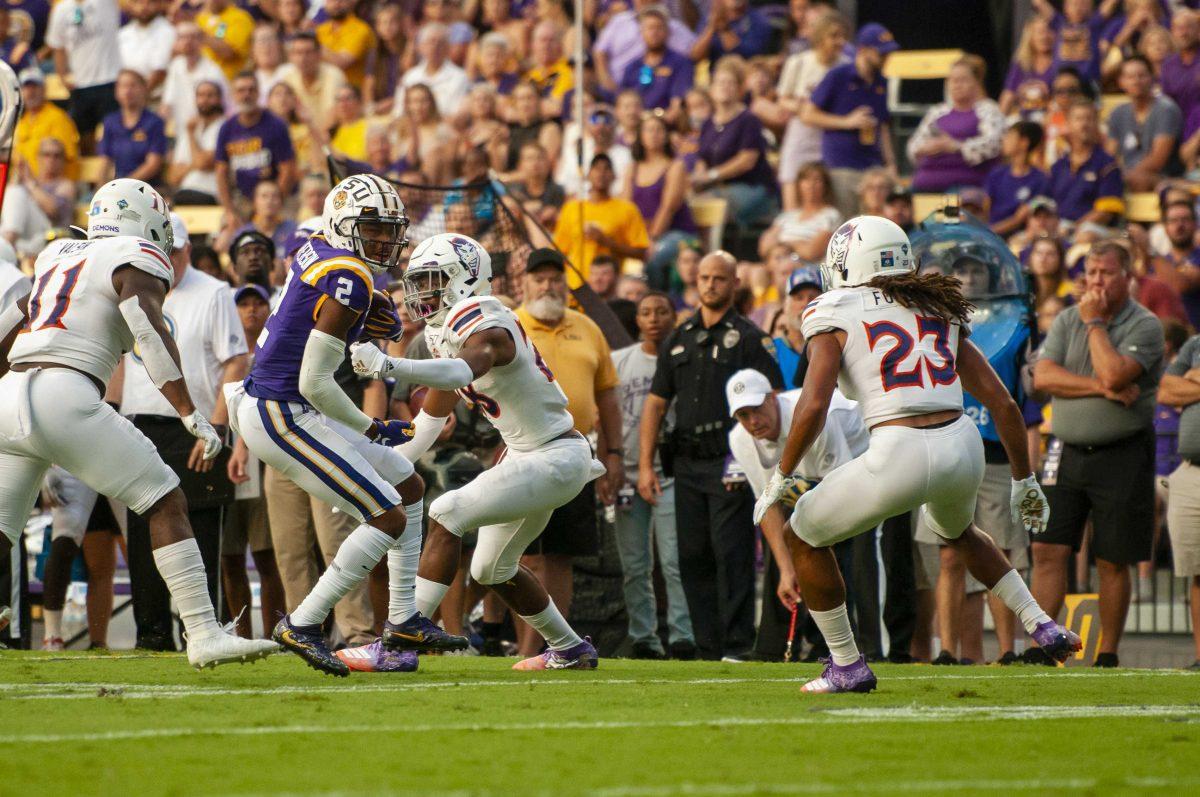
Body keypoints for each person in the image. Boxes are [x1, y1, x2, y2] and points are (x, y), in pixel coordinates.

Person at [753, 215, 1079, 692]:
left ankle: (846, 664)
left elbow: (814, 402)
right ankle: (1042, 623)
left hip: (898, 448)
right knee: (961, 532)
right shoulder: (936, 307)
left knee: (802, 535)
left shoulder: (834, 309)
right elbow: (1004, 403)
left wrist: (781, 474)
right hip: (961, 444)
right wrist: (1023, 479)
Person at [0, 178, 278, 668]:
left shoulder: (57, 253)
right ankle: (204, 633)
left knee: (2, 528)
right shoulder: (135, 254)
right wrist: (190, 411)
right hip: (65, 390)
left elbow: (14, 320)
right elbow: (146, 327)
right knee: (165, 496)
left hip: (12, 391)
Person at [234, 174, 462, 677]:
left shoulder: (321, 249)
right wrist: (372, 427)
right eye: (372, 228)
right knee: (387, 516)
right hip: (282, 411)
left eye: (388, 230)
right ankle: (305, 622)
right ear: (342, 222)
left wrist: (363, 316)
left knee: (408, 486)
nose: (383, 240)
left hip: (287, 405)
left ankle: (402, 618)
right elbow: (315, 381)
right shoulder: (350, 277)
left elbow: (311, 309)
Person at [350, 235, 606, 671]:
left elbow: (468, 366)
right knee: (491, 569)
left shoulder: (483, 317)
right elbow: (430, 419)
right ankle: (569, 648)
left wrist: (391, 365)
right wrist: (386, 470)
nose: (420, 291)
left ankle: (398, 642)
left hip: (553, 455)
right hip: (532, 455)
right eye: (417, 281)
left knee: (446, 512)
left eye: (430, 279)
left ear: (463, 278)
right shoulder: (443, 331)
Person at [638, 251, 784, 661]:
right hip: (686, 461)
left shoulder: (751, 339)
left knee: (732, 552)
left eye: (719, 278)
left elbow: (774, 399)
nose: (710, 285)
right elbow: (655, 403)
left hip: (730, 459)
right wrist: (646, 463)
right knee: (692, 555)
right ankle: (707, 646)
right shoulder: (679, 336)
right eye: (704, 278)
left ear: (735, 283)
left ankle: (737, 644)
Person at [113, 212, 247, 648]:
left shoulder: (213, 292)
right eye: (161, 250)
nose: (166, 258)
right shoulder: (131, 281)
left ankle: (202, 631)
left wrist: (219, 424)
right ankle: (151, 635)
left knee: (202, 531)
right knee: (142, 534)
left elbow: (235, 360)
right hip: (141, 421)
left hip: (196, 424)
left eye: (173, 250)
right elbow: (121, 357)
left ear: (188, 250)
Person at [1032, 240, 1165, 668]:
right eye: (1090, 273)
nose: (1095, 282)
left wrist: (1094, 326)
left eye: (1105, 273)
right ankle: (1044, 645)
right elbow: (1043, 376)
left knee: (1112, 558)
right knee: (1048, 550)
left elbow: (1113, 370)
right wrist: (1101, 389)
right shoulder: (1067, 318)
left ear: (1128, 275)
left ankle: (1106, 652)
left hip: (1121, 452)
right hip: (1065, 448)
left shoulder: (1144, 325)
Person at [509, 249, 623, 656]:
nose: (548, 285)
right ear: (524, 283)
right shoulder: (512, 324)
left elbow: (608, 395)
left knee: (561, 555)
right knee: (524, 553)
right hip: (523, 447)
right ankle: (525, 648)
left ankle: (555, 645)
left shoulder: (588, 327)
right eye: (539, 278)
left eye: (555, 277)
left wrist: (615, 454)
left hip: (577, 449)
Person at [725, 367, 870, 662]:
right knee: (789, 545)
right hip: (808, 481)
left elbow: (839, 493)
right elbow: (768, 506)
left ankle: (836, 648)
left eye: (757, 409)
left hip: (863, 466)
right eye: (743, 415)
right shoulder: (740, 439)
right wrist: (787, 569)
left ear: (773, 398)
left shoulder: (816, 417)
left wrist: (808, 560)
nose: (752, 422)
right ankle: (770, 649)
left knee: (837, 553)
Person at [221, 282, 285, 639]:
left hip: (265, 459)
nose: (250, 310)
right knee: (229, 557)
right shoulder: (221, 352)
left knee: (266, 554)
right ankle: (242, 636)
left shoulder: (275, 349)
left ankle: (276, 632)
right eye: (242, 303)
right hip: (223, 458)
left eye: (257, 303)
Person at [802, 23, 898, 219]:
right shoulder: (839, 76)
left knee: (874, 223)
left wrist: (891, 164)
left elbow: (883, 126)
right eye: (881, 53)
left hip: (872, 167)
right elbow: (807, 114)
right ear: (862, 50)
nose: (886, 57)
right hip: (841, 166)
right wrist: (846, 121)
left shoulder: (882, 82)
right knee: (846, 227)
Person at [776, 9, 849, 210]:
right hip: (801, 136)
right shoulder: (798, 62)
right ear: (820, 36)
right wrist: (803, 108)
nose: (840, 42)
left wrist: (815, 113)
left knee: (827, 202)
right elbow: (782, 99)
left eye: (843, 36)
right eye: (834, 36)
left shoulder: (846, 66)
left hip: (830, 137)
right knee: (792, 201)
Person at [693, 58, 779, 227]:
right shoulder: (708, 123)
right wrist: (698, 177)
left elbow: (746, 161)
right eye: (720, 82)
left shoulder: (748, 120)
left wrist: (711, 176)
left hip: (752, 187)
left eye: (730, 83)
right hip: (718, 187)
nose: (725, 86)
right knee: (688, 201)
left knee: (710, 206)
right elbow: (702, 158)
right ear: (711, 89)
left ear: (739, 89)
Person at [1159, 331, 1200, 670]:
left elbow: (1179, 390)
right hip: (1192, 470)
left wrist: (1192, 384)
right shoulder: (1196, 344)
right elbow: (1165, 390)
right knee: (1197, 572)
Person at [907, 56, 1004, 193]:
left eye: (963, 80)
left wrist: (956, 146)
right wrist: (928, 147)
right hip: (924, 181)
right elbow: (913, 146)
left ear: (977, 82)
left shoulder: (988, 110)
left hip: (965, 184)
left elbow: (993, 145)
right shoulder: (938, 112)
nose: (956, 85)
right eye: (952, 80)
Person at [624, 114, 697, 290]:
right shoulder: (633, 167)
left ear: (666, 136)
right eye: (649, 130)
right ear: (640, 136)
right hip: (641, 233)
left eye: (659, 130)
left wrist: (652, 238)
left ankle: (656, 298)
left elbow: (669, 207)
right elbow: (625, 207)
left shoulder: (675, 166)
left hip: (675, 233)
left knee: (653, 257)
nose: (654, 134)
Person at [553, 154, 649, 288]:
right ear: (588, 175)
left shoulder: (627, 209)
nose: (601, 173)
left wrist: (606, 241)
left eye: (606, 169)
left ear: (614, 176)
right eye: (596, 168)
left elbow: (641, 253)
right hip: (575, 288)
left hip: (609, 290)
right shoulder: (572, 208)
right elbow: (559, 252)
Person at [215, 72, 298, 218]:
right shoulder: (226, 128)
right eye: (241, 90)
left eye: (251, 90)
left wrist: (272, 204)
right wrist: (229, 210)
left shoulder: (276, 125)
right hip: (241, 200)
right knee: (225, 238)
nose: (246, 95)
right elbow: (221, 172)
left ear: (259, 93)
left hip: (276, 198)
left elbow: (287, 170)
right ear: (233, 95)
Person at [47, 0, 121, 153]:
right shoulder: (61, 9)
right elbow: (57, 45)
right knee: (84, 137)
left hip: (110, 80)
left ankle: (114, 174)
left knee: (115, 135)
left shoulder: (105, 3)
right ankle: (94, 176)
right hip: (80, 84)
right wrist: (62, 76)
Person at [1106, 55, 1183, 191]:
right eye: (1130, 77)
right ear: (1121, 82)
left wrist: (1124, 176)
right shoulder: (1118, 114)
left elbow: (1158, 159)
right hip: (1128, 176)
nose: (1136, 81)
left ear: (1152, 78)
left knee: (1139, 180)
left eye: (1141, 76)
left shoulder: (1166, 109)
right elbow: (1110, 154)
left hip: (1164, 177)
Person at [1048, 101, 1125, 232]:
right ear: (1068, 124)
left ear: (1096, 125)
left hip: (1095, 231)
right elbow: (1048, 204)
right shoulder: (1058, 166)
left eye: (1089, 119)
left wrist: (1072, 229)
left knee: (1086, 234)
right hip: (1059, 230)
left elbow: (1105, 213)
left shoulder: (1107, 164)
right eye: (1078, 119)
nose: (1084, 124)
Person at [0, 138, 76, 257]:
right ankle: (7, 243)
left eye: (57, 156)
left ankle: (6, 244)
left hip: (50, 238)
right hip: (23, 240)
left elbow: (53, 210)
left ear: (63, 160)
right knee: (14, 191)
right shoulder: (29, 181)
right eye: (47, 155)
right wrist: (18, 175)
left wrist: (29, 182)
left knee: (16, 192)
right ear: (38, 157)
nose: (51, 160)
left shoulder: (65, 185)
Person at [617, 5, 693, 123]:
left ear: (668, 32)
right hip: (635, 125)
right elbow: (623, 102)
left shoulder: (680, 63)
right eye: (650, 28)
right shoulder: (632, 67)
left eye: (659, 28)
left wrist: (654, 122)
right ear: (641, 32)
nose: (654, 33)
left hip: (666, 126)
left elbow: (677, 107)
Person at [160, 22, 229, 143]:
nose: (188, 41)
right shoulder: (176, 65)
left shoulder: (212, 70)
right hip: (180, 132)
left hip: (207, 133)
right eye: (183, 37)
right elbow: (167, 104)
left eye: (193, 37)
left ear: (201, 41)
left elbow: (221, 108)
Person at [758, 162, 841, 264]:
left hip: (805, 268)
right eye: (806, 179)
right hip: (776, 264)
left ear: (825, 186)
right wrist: (799, 244)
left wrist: (782, 244)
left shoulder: (831, 215)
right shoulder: (787, 216)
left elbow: (811, 252)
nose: (811, 185)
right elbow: (764, 248)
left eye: (817, 180)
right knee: (744, 269)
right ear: (799, 184)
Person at [98, 71, 169, 183]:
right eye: (123, 86)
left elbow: (153, 164)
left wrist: (126, 184)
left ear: (144, 89)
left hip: (147, 187)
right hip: (118, 185)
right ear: (116, 91)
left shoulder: (154, 122)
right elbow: (105, 160)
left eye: (132, 85)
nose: (128, 91)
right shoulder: (110, 122)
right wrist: (101, 187)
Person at [12, 68, 80, 182]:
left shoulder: (58, 118)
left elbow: (64, 159)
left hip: (53, 187)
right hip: (24, 185)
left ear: (44, 90)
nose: (31, 92)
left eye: (35, 87)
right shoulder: (22, 121)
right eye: (26, 87)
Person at [985, 121, 1048, 238]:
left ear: (1024, 142)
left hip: (1017, 236)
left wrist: (988, 233)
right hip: (990, 232)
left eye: (1009, 136)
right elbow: (985, 207)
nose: (1004, 140)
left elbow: (1019, 219)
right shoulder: (996, 174)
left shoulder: (1040, 180)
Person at [169, 80, 225, 205]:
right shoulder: (191, 128)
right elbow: (173, 177)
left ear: (220, 99)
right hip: (183, 192)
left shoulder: (224, 127)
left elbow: (203, 163)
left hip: (211, 193)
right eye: (200, 95)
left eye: (210, 95)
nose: (204, 100)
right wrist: (195, 163)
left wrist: (191, 136)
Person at [396, 23, 470, 118]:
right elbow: (399, 111)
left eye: (441, 43)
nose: (435, 47)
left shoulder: (460, 77)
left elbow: (455, 115)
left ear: (448, 48)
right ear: (421, 47)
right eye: (431, 42)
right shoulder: (410, 76)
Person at [278, 31, 347, 132]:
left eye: (308, 52)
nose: (303, 58)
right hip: (301, 140)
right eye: (298, 53)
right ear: (291, 57)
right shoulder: (288, 79)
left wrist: (318, 141)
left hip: (333, 136)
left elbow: (333, 117)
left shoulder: (333, 75)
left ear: (319, 54)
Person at [1153, 199, 1200, 329]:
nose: (1180, 226)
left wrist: (1150, 253)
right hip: (1164, 337)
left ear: (1195, 224)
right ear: (1165, 228)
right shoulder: (1160, 261)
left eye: (1185, 220)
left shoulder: (1156, 260)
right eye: (1173, 221)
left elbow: (1180, 285)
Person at [118, 0, 175, 92]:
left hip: (154, 97)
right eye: (139, 2)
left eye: (150, 2)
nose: (144, 7)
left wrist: (142, 95)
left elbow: (160, 71)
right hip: (126, 95)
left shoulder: (167, 31)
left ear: (158, 5)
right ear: (131, 6)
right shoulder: (123, 33)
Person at [316, 0, 375, 88]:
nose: (336, 3)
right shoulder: (320, 30)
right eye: (331, 0)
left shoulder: (361, 29)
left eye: (342, 0)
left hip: (352, 92)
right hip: (324, 89)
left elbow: (340, 62)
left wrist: (314, 45)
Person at [196, 0, 254, 81]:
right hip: (202, 80)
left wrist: (200, 35)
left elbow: (228, 52)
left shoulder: (239, 17)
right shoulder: (201, 19)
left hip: (229, 82)